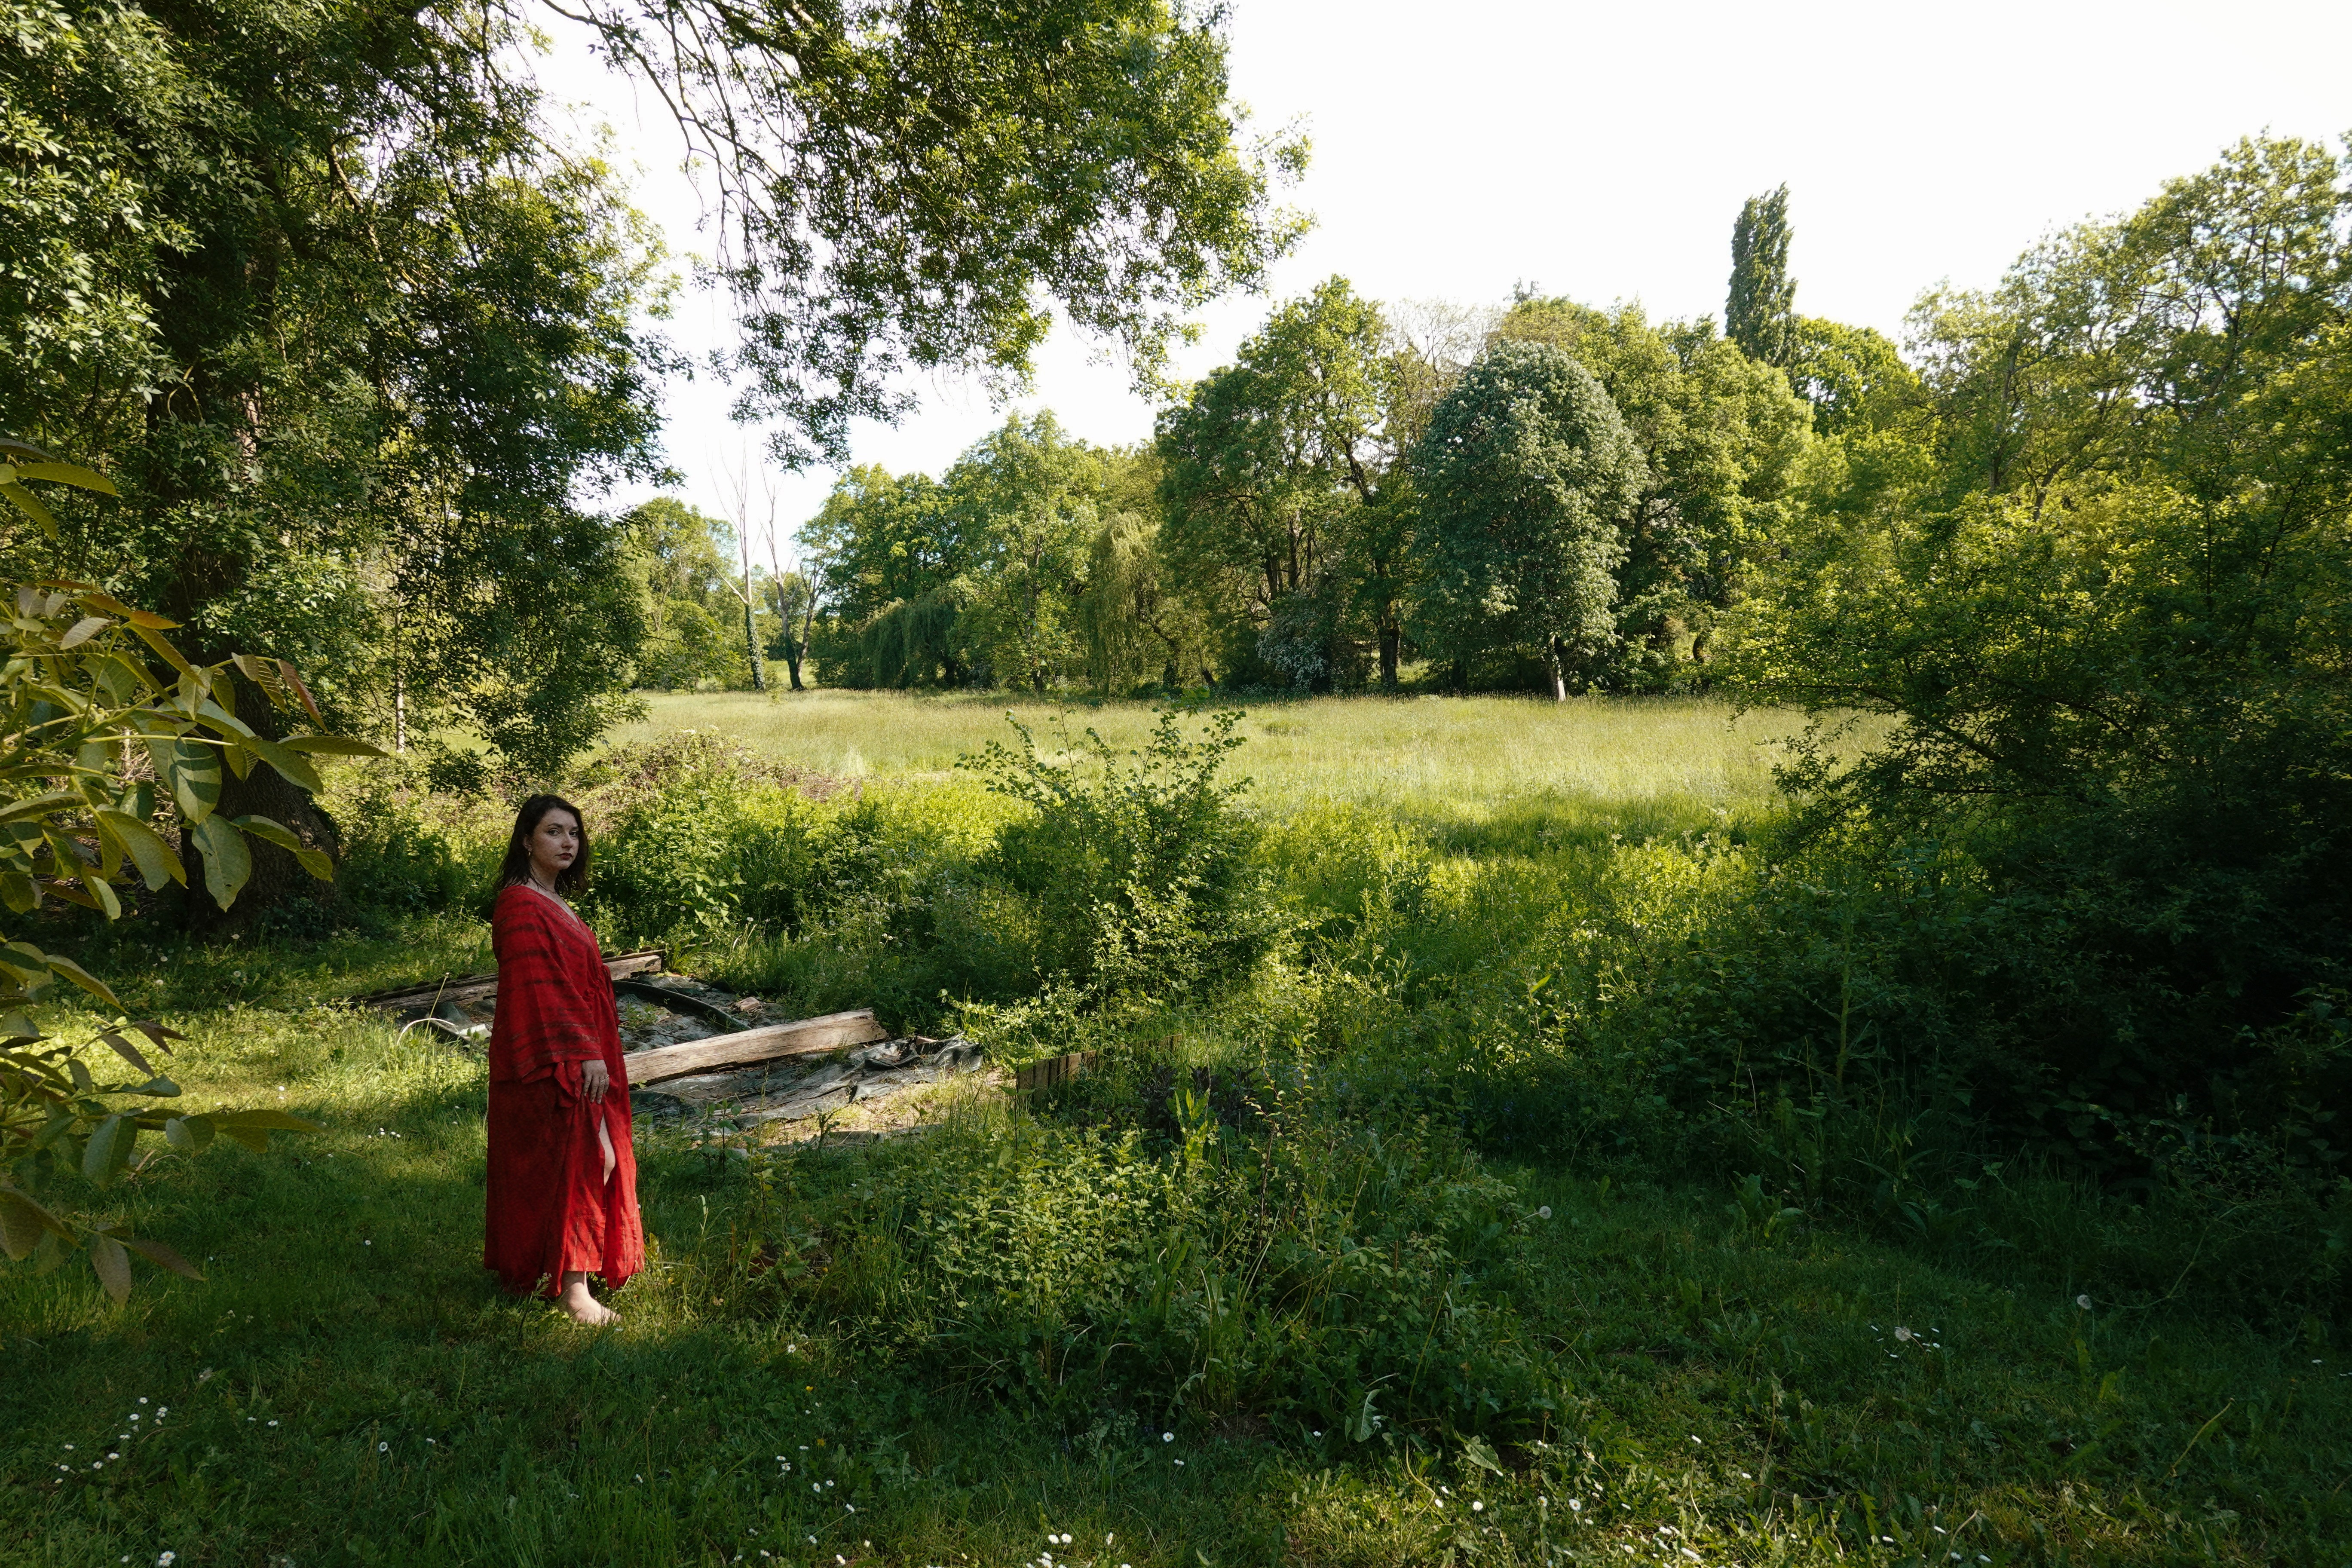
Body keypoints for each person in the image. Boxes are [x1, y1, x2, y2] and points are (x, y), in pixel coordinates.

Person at [483, 794, 643, 1324]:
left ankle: (568, 1270)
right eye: (554, 832)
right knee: (581, 1161)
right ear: (526, 841)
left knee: (589, 1158)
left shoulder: (551, 900)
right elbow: (540, 988)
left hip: (581, 1048)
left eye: (574, 833)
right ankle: (574, 1293)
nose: (568, 842)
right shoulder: (521, 905)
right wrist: (583, 1052)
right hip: (552, 1056)